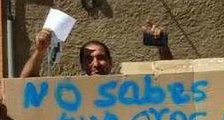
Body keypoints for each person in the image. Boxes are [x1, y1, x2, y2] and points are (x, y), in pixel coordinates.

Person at [20, 22, 173, 78]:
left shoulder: (127, 90)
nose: (96, 63)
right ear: (81, 65)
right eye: (88, 58)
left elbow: (171, 79)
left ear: (111, 62)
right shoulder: (70, 93)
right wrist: (40, 51)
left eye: (101, 57)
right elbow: (25, 84)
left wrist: (162, 46)